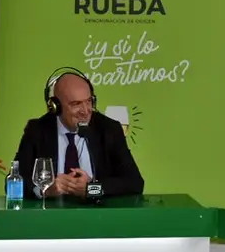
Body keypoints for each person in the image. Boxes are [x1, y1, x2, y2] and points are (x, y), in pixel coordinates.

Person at [14, 67, 143, 199]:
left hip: (97, 217)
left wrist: (92, 188)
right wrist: (45, 190)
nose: (85, 111)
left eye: (89, 101)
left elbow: (135, 183)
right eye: (76, 104)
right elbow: (13, 182)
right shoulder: (37, 131)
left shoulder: (108, 129)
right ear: (55, 106)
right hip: (51, 217)